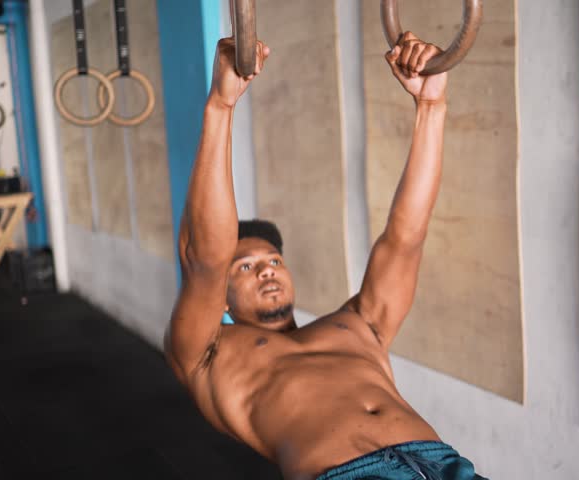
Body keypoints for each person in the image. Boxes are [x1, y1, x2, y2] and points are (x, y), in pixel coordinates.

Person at [164, 31, 487, 480]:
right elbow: (205, 259)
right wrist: (220, 107)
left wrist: (432, 107)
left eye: (273, 261)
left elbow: (406, 237)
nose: (266, 272)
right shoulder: (207, 351)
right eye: (246, 267)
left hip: (443, 465)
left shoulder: (358, 325)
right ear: (221, 298)